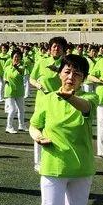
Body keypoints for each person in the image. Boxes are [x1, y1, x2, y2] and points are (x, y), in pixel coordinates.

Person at [29, 54, 99, 205]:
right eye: (67, 71)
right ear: (60, 73)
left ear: (84, 79)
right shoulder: (47, 99)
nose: (71, 77)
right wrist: (38, 136)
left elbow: (85, 107)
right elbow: (34, 124)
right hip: (54, 165)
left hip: (82, 165)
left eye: (77, 73)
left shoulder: (90, 97)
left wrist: (69, 98)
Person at [29, 37, 66, 171]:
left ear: (63, 50)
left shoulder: (66, 63)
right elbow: (31, 78)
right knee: (38, 129)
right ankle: (38, 162)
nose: (56, 49)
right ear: (50, 48)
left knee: (56, 129)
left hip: (59, 101)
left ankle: (56, 159)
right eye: (54, 46)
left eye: (59, 47)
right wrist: (37, 84)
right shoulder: (41, 61)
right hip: (42, 101)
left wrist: (58, 70)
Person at [3, 48, 26, 133]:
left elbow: (20, 71)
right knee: (12, 109)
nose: (17, 59)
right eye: (15, 57)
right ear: (12, 58)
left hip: (19, 91)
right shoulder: (7, 68)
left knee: (22, 109)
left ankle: (22, 125)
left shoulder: (22, 67)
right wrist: (5, 81)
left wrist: (16, 67)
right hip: (9, 91)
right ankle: (9, 127)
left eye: (18, 57)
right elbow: (5, 77)